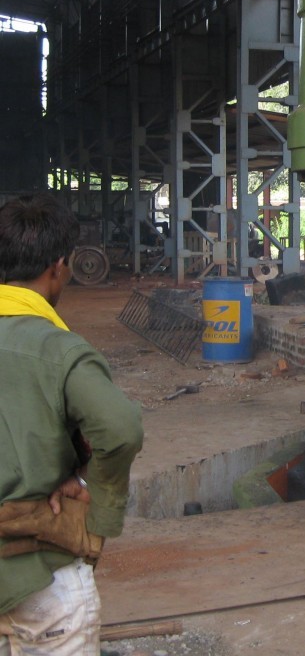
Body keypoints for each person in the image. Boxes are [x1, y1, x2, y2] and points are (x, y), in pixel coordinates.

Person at [0, 194, 143, 653]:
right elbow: (120, 430)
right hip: (39, 575)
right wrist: (86, 483)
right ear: (58, 267)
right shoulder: (58, 349)